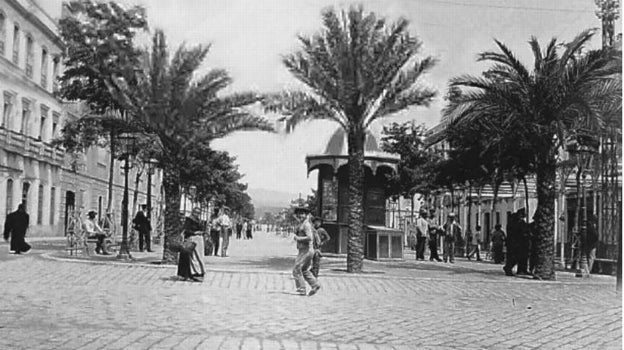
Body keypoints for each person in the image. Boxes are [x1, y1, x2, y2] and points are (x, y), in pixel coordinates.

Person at [292, 206, 321, 296]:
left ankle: (301, 288)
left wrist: (298, 238)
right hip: (305, 250)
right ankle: (315, 284)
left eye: (302, 213)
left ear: (306, 215)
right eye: (299, 213)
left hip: (306, 250)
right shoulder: (302, 224)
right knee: (304, 270)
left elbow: (309, 237)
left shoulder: (306, 225)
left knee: (296, 269)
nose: (300, 215)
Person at [177, 207, 205, 282]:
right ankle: (188, 274)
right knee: (190, 258)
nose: (197, 214)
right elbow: (186, 230)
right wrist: (194, 233)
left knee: (198, 257)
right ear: (193, 212)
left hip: (198, 240)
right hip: (190, 240)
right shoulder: (189, 220)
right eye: (196, 212)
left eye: (198, 213)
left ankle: (197, 273)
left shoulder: (198, 220)